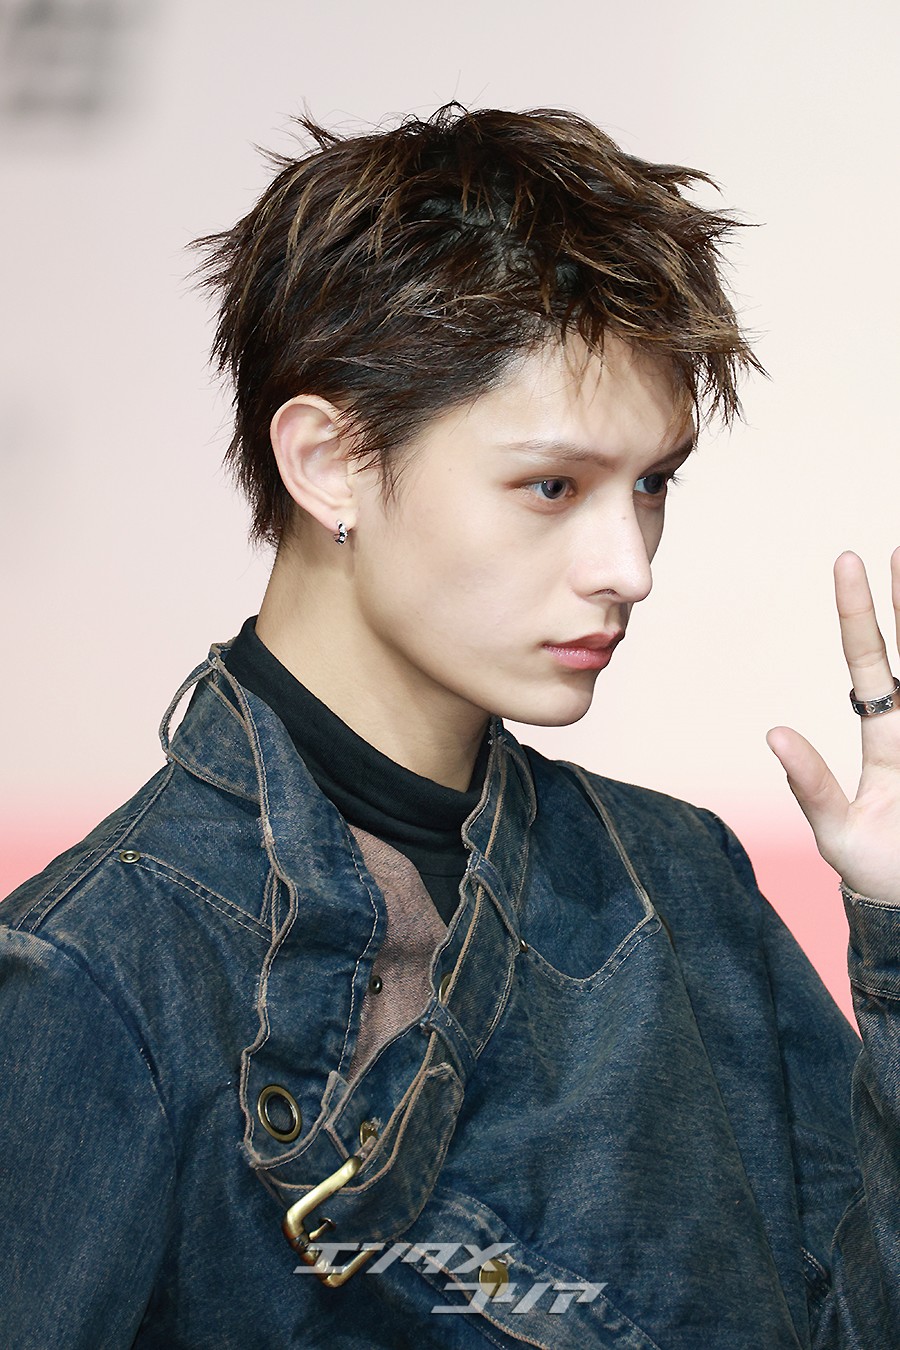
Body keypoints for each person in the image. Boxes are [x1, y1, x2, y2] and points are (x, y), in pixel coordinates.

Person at [1, 103, 898, 1349]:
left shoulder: (681, 882)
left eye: (652, 484)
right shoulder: (100, 975)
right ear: (330, 463)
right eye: (553, 485)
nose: (630, 565)